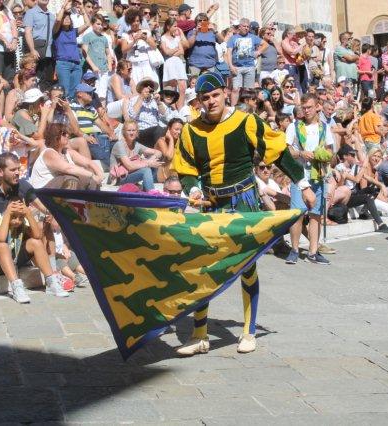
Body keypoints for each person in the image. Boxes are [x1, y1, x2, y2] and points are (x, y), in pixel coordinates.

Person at [173, 71, 314, 356]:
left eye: (215, 95)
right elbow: (186, 168)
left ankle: (248, 331)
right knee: (203, 265)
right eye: (205, 98)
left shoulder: (246, 121)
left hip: (244, 200)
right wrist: (193, 189)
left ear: (225, 93)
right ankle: (199, 334)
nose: (211, 101)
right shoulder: (190, 130)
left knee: (247, 265)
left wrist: (303, 183)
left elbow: (277, 151)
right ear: (198, 100)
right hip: (211, 203)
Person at [0, 195, 72, 303]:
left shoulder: (22, 221)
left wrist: (28, 214)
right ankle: (16, 287)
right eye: (14, 216)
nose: (17, 221)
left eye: (20, 217)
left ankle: (51, 281)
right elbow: (1, 238)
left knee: (35, 243)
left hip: (13, 260)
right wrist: (8, 215)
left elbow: (37, 236)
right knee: (2, 246)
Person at [284, 94, 334, 265]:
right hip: (299, 176)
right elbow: (287, 150)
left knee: (315, 214)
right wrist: (300, 153)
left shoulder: (324, 127)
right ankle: (294, 250)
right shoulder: (294, 126)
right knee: (298, 213)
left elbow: (330, 151)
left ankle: (313, 252)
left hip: (317, 175)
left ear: (317, 106)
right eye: (304, 108)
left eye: (309, 107)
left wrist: (321, 155)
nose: (306, 111)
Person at [28, 122, 104, 190]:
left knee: (91, 181)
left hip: (58, 189)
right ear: (55, 136)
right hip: (42, 191)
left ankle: (93, 200)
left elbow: (88, 163)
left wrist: (100, 175)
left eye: (67, 133)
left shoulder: (67, 152)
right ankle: (73, 201)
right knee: (71, 179)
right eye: (64, 134)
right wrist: (92, 175)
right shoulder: (49, 153)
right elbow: (68, 168)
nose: (67, 135)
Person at [71, 83, 117, 169]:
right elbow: (73, 128)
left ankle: (120, 165)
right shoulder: (71, 107)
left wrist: (111, 134)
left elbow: (101, 125)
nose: (91, 95)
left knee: (115, 143)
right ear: (80, 94)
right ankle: (115, 168)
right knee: (99, 149)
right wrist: (85, 136)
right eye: (89, 93)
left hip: (94, 136)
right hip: (82, 137)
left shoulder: (91, 108)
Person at [109, 119, 162, 190]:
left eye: (133, 130)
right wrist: (148, 163)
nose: (131, 133)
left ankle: (147, 190)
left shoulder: (137, 145)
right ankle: (151, 193)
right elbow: (129, 166)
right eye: (129, 130)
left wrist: (152, 159)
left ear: (137, 132)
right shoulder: (119, 145)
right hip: (118, 178)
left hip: (130, 175)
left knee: (152, 166)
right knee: (146, 170)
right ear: (124, 132)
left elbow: (158, 152)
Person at [52, 2, 89, 98]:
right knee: (65, 91)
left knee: (75, 91)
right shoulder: (57, 32)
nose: (67, 18)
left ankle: (72, 106)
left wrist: (82, 9)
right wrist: (63, 7)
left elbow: (87, 24)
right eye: (64, 17)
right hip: (63, 64)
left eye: (68, 17)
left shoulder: (73, 31)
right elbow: (57, 20)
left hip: (76, 64)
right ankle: (64, 107)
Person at [226, 18, 261, 106]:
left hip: (250, 67)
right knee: (235, 89)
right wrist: (231, 66)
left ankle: (248, 108)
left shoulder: (253, 37)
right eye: (244, 26)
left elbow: (265, 44)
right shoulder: (233, 38)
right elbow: (229, 52)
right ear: (239, 27)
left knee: (248, 90)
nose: (246, 28)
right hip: (237, 67)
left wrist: (258, 52)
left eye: (247, 27)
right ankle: (233, 108)